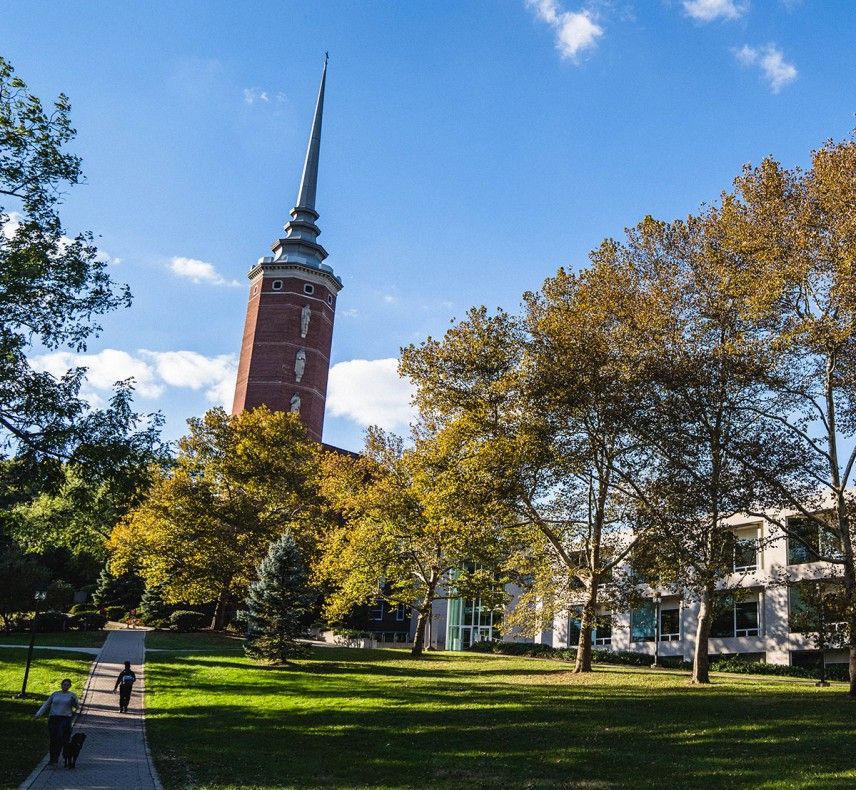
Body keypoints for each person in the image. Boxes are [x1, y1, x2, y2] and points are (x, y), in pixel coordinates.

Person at [35, 678, 79, 765]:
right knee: (53, 739)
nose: (65, 686)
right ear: (61, 685)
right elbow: (47, 704)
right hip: (53, 718)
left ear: (70, 686)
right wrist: (38, 714)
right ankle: (52, 758)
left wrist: (74, 702)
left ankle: (58, 757)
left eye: (67, 685)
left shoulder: (72, 695)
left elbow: (77, 706)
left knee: (59, 738)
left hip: (65, 719)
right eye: (64, 684)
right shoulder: (55, 694)